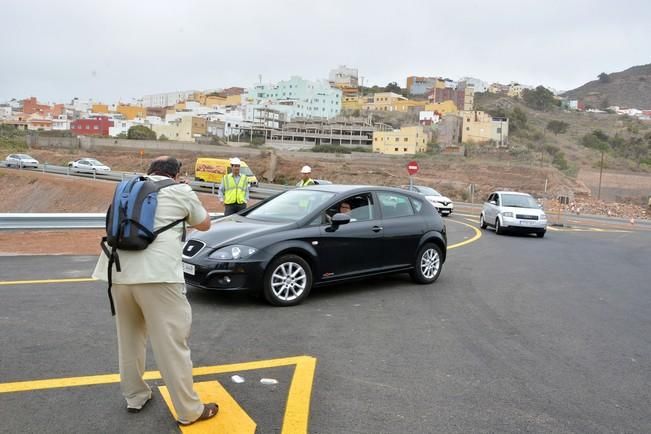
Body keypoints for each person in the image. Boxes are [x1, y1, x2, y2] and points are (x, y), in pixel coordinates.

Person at [92, 156, 218, 426]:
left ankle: (135, 397)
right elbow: (205, 223)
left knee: (129, 339)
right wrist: (185, 191)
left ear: (150, 172)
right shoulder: (180, 190)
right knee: (172, 345)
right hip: (158, 277)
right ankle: (188, 410)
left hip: (118, 273)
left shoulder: (128, 189)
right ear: (176, 174)